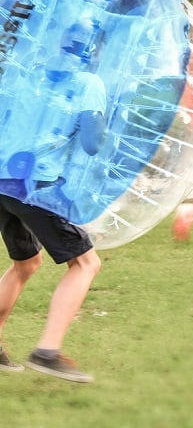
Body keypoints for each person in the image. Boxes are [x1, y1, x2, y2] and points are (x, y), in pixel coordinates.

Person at [0, 21, 106, 382]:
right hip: (38, 185)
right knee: (86, 263)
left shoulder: (33, 73)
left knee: (26, 264)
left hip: (3, 177)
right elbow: (92, 143)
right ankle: (47, 351)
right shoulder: (90, 83)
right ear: (94, 48)